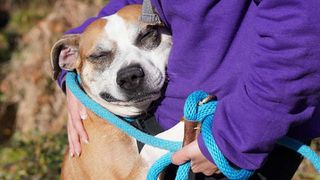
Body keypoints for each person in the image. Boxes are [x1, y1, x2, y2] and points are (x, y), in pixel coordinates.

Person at [55, 0, 320, 179]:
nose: (129, 73)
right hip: (188, 132)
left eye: (147, 38)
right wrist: (75, 61)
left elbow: (302, 29)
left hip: (234, 130)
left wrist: (233, 136)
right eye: (101, 57)